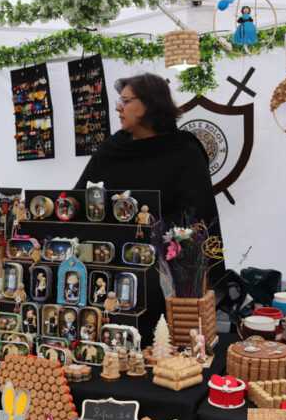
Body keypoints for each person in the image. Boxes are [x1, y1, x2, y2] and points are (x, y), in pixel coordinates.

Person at [75, 73, 223, 334]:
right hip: (111, 267)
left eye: (126, 101)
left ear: (149, 105)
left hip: (166, 275)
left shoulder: (183, 150)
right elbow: (81, 198)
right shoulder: (112, 149)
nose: (118, 108)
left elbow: (198, 215)